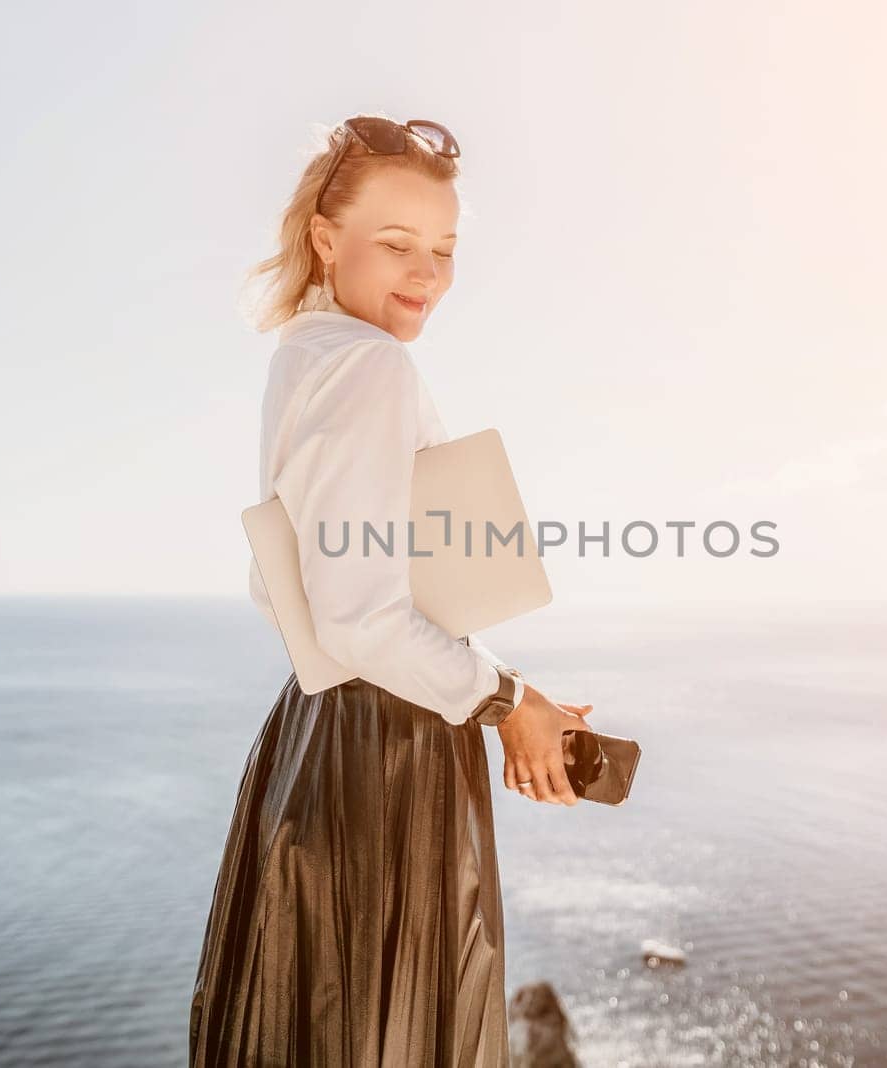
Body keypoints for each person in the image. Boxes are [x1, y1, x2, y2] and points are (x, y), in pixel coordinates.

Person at [188, 114, 595, 1067]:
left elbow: (283, 585)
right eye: (398, 244)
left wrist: (496, 688)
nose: (427, 275)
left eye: (445, 251)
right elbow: (363, 617)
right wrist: (509, 700)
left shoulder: (305, 353)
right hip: (389, 756)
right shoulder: (372, 365)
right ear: (327, 240)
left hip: (316, 734)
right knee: (397, 1032)